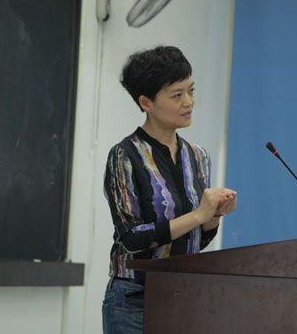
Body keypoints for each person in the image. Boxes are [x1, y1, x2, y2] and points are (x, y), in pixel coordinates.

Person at [102, 45, 237, 334]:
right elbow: (131, 238)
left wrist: (214, 215)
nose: (189, 102)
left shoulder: (198, 156)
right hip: (135, 299)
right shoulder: (125, 155)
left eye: (191, 90)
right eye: (177, 95)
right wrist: (199, 215)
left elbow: (194, 241)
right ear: (146, 103)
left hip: (183, 295)